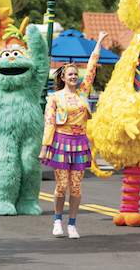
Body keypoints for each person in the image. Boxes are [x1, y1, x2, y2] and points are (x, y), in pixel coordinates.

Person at [39, 31, 108, 239]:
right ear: (63, 77)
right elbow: (49, 123)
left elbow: (92, 68)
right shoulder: (54, 98)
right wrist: (44, 148)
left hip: (79, 144)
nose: (74, 77)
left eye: (76, 75)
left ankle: (72, 224)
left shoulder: (83, 93)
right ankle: (57, 221)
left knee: (76, 187)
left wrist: (98, 43)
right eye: (70, 74)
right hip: (60, 143)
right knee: (61, 186)